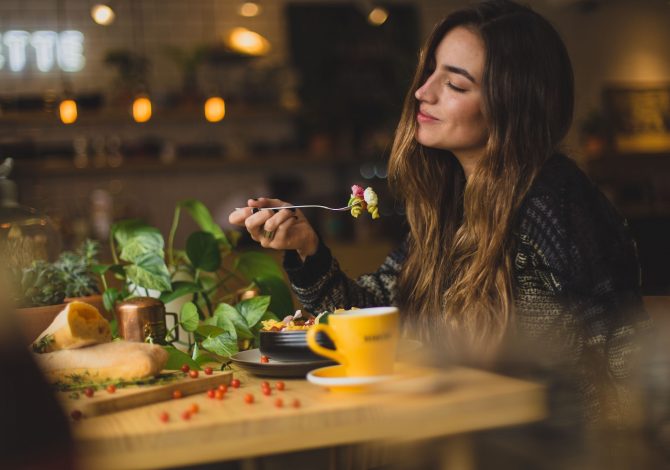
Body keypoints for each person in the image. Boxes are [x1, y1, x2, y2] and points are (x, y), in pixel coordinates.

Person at [229, 0, 649, 425]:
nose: (422, 92)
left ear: (512, 107)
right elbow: (377, 316)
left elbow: (623, 354)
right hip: (471, 433)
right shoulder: (453, 204)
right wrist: (306, 247)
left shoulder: (552, 203)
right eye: (430, 71)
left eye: (457, 85)